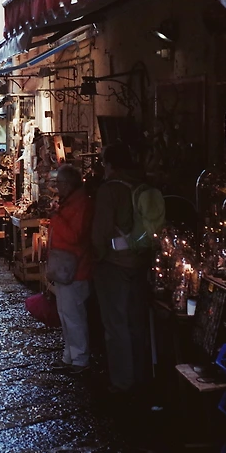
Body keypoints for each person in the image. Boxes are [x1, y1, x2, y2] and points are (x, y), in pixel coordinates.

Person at [90, 143, 152, 399]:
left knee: (116, 324)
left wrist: (97, 257)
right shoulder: (142, 185)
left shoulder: (110, 190)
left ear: (110, 165)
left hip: (114, 264)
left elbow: (101, 232)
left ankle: (122, 381)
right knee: (137, 321)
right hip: (140, 260)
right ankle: (141, 375)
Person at [48, 164, 94, 372]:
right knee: (66, 314)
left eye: (59, 183)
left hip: (75, 268)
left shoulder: (81, 204)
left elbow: (76, 236)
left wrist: (57, 217)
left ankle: (80, 358)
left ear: (68, 184)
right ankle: (70, 356)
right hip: (65, 267)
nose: (57, 187)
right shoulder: (71, 203)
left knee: (73, 315)